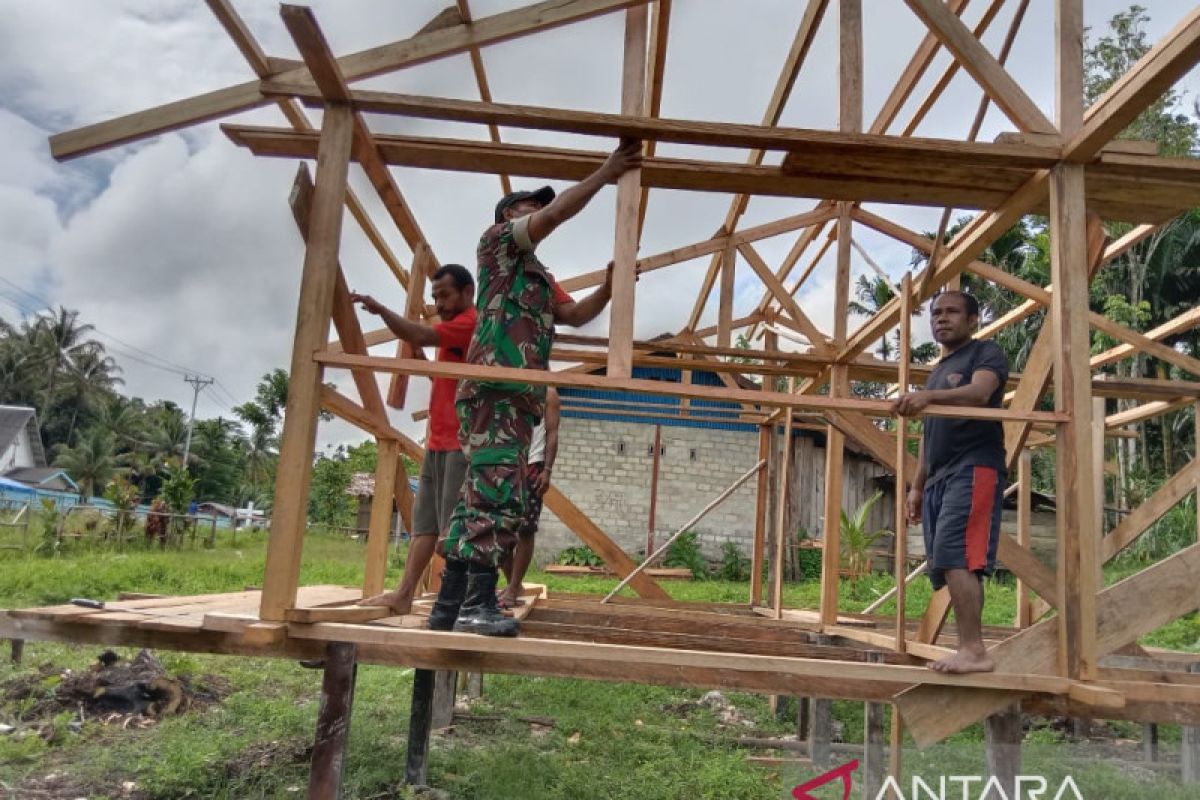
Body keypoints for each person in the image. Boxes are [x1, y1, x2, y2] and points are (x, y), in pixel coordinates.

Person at [427, 138, 644, 637]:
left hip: (516, 396)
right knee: (496, 494)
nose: (540, 212)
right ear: (509, 217)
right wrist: (607, 171)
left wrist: (611, 285)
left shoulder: (540, 278)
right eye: (530, 208)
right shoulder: (496, 244)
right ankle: (476, 606)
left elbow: (575, 316)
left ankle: (449, 605)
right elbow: (557, 215)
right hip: (496, 387)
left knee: (476, 496)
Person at [892, 290, 1009, 674]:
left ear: (973, 319)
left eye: (952, 312)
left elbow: (979, 394)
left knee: (958, 553)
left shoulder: (985, 353)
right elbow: (928, 434)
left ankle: (974, 651)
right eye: (936, 313)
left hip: (974, 465)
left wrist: (927, 396)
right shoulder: (938, 371)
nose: (942, 318)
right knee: (943, 561)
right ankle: (968, 648)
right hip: (940, 475)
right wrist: (917, 485)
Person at [350, 263, 476, 616]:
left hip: (460, 444)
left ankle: (458, 600)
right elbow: (444, 377)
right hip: (437, 441)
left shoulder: (470, 323)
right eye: (435, 297)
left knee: (453, 531)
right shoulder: (449, 330)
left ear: (468, 293)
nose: (440, 304)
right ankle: (404, 593)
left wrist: (381, 310)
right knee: (425, 527)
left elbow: (419, 335)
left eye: (446, 295)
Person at [498, 387, 560, 611]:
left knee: (525, 528)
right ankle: (513, 584)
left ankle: (514, 587)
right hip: (504, 462)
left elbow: (552, 433)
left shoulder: (548, 394)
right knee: (499, 527)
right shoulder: (511, 382)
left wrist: (548, 470)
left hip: (532, 465)